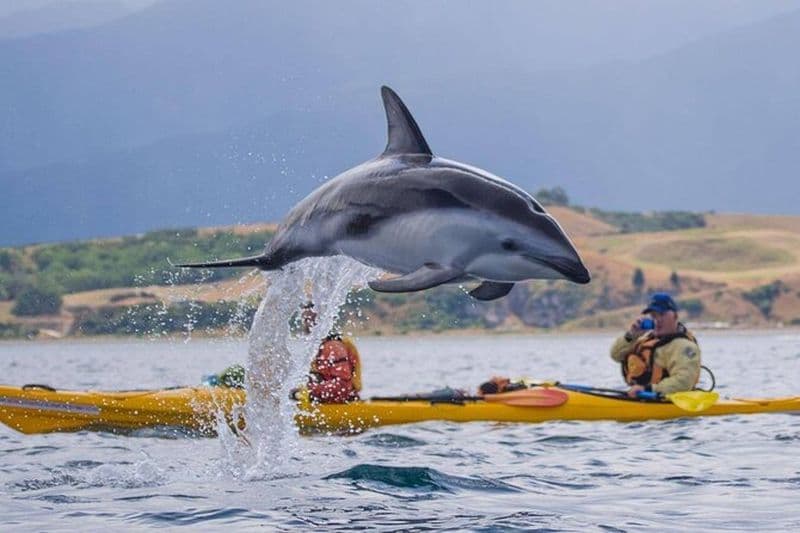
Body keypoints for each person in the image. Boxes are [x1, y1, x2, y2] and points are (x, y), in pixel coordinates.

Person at [205, 302, 362, 404]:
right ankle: (213, 388)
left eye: (312, 313)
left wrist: (306, 392)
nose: (306, 317)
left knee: (238, 373)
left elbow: (342, 387)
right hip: (312, 396)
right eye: (305, 312)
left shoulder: (333, 347)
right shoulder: (319, 345)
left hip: (332, 404)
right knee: (238, 372)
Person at [610, 292, 701, 398]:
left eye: (662, 314)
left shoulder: (685, 346)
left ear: (675, 316)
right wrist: (631, 335)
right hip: (641, 396)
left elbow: (684, 382)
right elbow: (616, 355)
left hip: (668, 400)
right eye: (653, 316)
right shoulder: (645, 340)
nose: (657, 320)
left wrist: (649, 389)